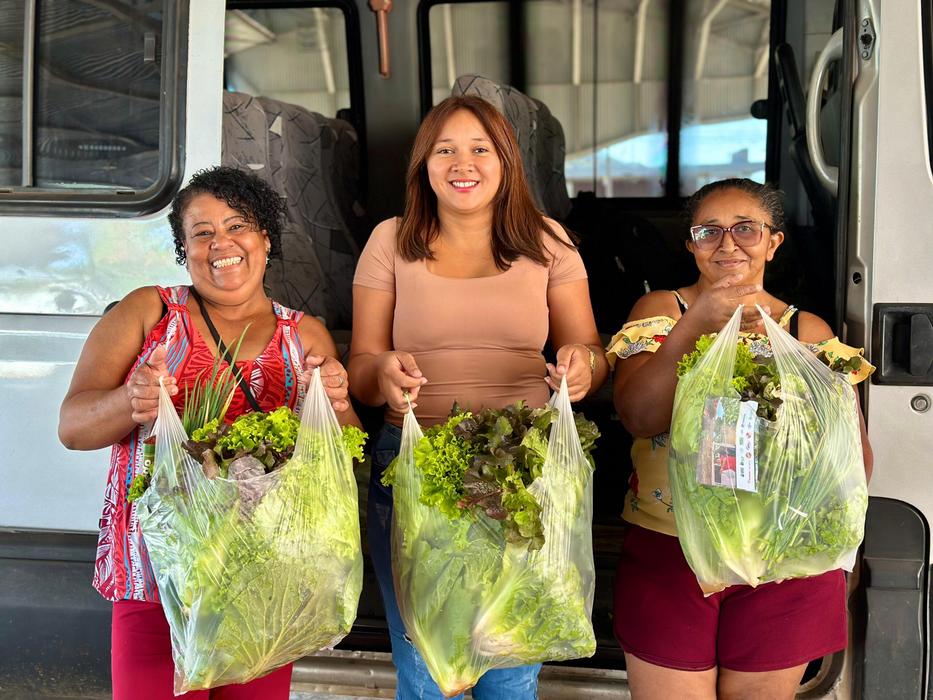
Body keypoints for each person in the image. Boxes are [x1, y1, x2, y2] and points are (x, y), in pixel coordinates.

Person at [58, 166, 358, 700]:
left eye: (237, 226)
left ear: (265, 238)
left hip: (266, 584)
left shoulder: (304, 336)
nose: (221, 243)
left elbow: (347, 456)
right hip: (158, 582)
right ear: (185, 249)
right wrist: (130, 401)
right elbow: (73, 428)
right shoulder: (149, 313)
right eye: (202, 233)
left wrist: (335, 403)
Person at [348, 94, 609, 699]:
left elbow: (592, 352)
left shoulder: (547, 241)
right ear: (424, 165)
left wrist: (581, 370)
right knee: (427, 669)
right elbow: (361, 368)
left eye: (479, 149)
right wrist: (383, 373)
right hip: (415, 464)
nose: (462, 164)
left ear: (506, 160)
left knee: (511, 667)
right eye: (445, 150)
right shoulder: (391, 240)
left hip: (524, 474)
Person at [608, 178, 874, 699]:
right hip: (673, 549)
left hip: (785, 559)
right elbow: (638, 416)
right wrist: (696, 326)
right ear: (690, 244)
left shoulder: (806, 333)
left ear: (774, 242)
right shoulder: (662, 311)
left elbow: (853, 460)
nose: (728, 244)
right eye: (709, 231)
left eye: (746, 229)